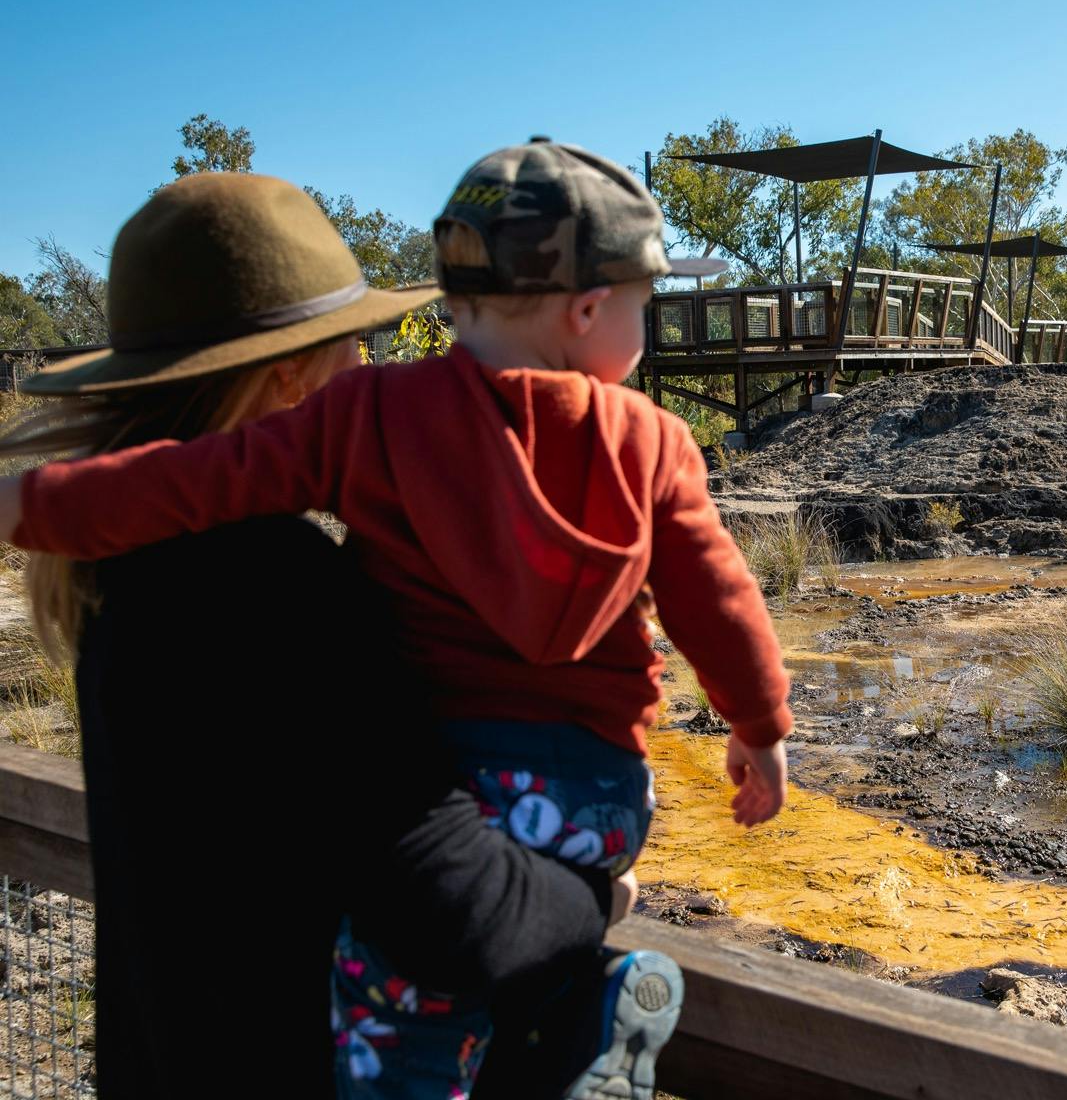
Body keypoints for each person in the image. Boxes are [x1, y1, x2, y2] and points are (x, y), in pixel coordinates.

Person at [1, 140, 795, 1099]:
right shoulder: (274, 587)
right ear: (290, 379)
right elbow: (459, 915)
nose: (369, 357)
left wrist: (25, 503)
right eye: (351, 338)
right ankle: (587, 1023)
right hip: (328, 1028)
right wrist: (605, 889)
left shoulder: (125, 576)